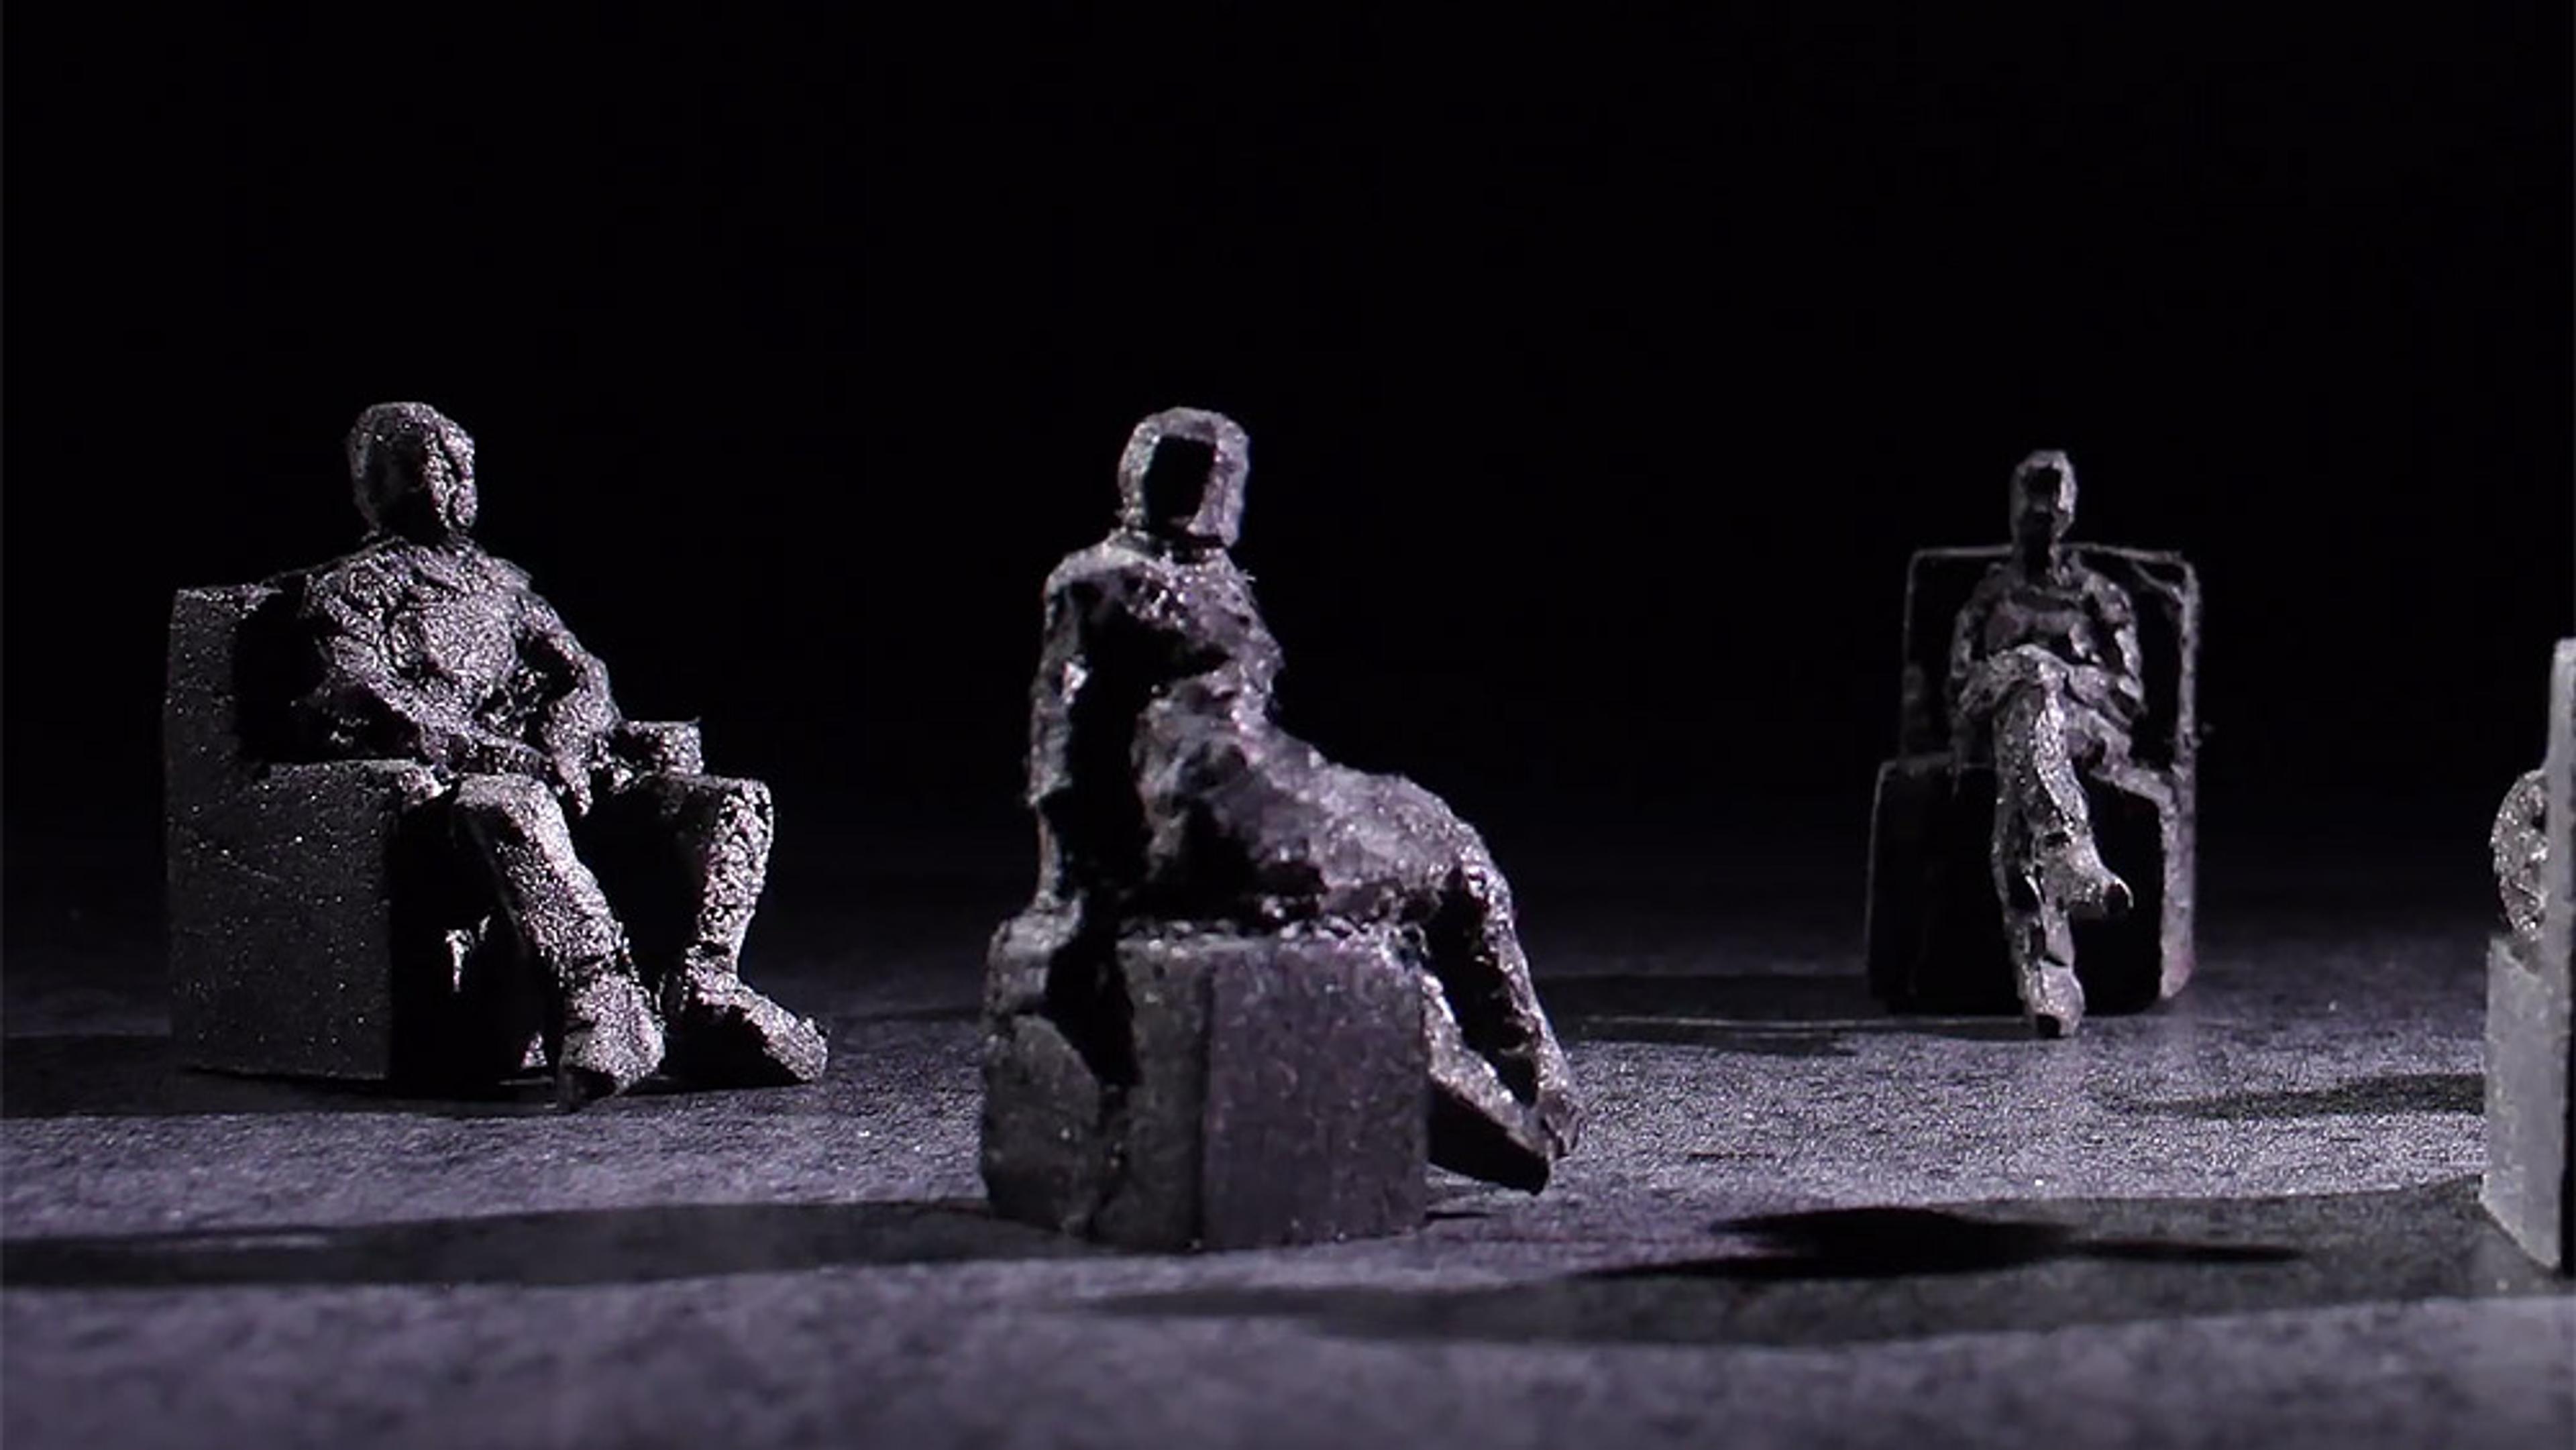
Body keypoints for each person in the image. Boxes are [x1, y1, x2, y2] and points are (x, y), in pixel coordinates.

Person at [1011, 407, 1578, 1188]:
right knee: (1385, 880)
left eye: (1218, 469)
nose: (1209, 485)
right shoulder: (1101, 581)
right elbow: (1064, 749)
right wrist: (1073, 900)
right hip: (1206, 810)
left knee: (1447, 838)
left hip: (1270, 778)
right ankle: (1452, 1074)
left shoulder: (1215, 579)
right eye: (1192, 466)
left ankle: (1534, 1074)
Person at [288, 402, 825, 1105]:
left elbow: (583, 673)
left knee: (732, 803)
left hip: (559, 773)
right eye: (432, 463)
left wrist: (568, 743)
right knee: (511, 802)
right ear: (381, 481)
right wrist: (496, 755)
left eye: (461, 463)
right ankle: (601, 992)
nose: (453, 479)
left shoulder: (503, 585)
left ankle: (701, 988)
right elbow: (360, 693)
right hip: (447, 803)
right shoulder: (353, 589)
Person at [1946, 449, 2156, 1036]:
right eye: (2031, 499)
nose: (2041, 513)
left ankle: (2046, 976)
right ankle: (2071, 855)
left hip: (2084, 725)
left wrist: (2064, 677)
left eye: (2052, 498)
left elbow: (2129, 695)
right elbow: (1960, 684)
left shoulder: (2099, 596)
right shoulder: (1990, 594)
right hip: (1994, 719)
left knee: (2028, 729)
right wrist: (2031, 666)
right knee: (2028, 685)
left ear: (2070, 509)